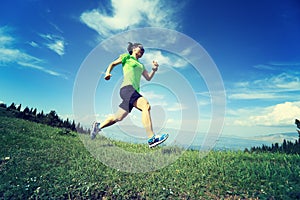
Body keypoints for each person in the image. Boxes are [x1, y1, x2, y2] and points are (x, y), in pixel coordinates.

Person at [91, 42, 168, 148]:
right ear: (134, 49)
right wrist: (107, 73)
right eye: (140, 48)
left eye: (143, 50)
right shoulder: (126, 57)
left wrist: (154, 69)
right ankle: (152, 138)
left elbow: (148, 78)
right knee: (146, 105)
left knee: (118, 117)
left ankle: (98, 126)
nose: (142, 50)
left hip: (133, 91)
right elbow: (112, 64)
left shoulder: (141, 65)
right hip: (127, 88)